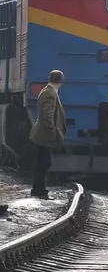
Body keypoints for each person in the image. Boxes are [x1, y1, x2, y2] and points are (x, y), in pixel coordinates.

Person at [28, 70, 66, 199]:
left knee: (42, 162)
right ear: (60, 81)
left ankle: (38, 190)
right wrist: (53, 132)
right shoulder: (50, 93)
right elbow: (47, 116)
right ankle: (39, 191)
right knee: (44, 163)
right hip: (44, 135)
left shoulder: (47, 90)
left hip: (42, 133)